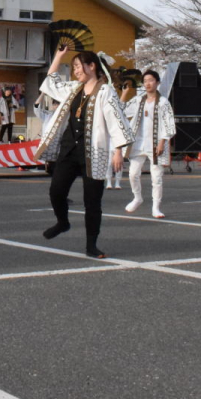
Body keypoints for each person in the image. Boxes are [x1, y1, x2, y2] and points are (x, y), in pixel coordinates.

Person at [37, 42, 133, 258]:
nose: (76, 71)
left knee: (92, 202)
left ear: (92, 66)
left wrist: (118, 150)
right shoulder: (73, 88)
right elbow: (50, 81)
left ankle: (92, 245)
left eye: (79, 66)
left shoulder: (105, 91)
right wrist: (58, 56)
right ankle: (63, 222)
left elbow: (116, 120)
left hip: (93, 152)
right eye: (74, 68)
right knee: (56, 191)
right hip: (69, 149)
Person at [123, 70, 176, 217]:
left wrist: (162, 142)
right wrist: (124, 94)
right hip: (138, 143)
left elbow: (168, 124)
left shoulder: (164, 102)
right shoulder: (138, 100)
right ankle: (137, 197)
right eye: (145, 80)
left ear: (157, 82)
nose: (147, 83)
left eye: (151, 80)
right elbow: (121, 111)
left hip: (155, 144)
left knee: (156, 177)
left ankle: (156, 207)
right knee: (133, 173)